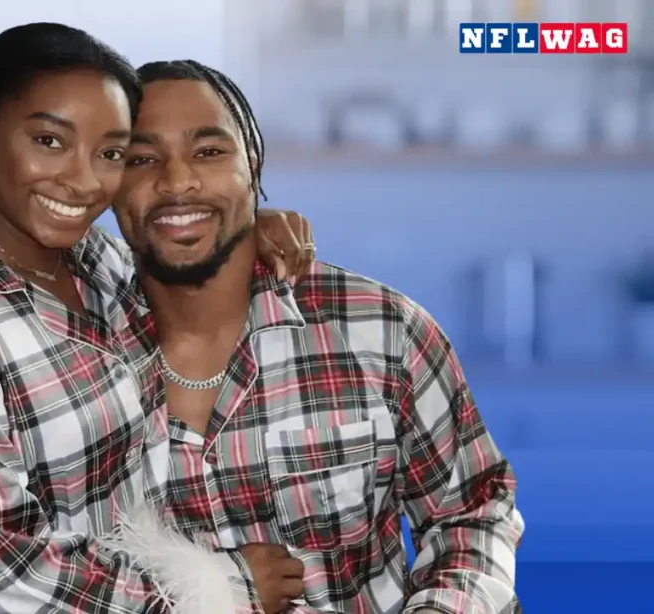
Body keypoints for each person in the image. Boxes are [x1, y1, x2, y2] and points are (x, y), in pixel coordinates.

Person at [0, 23, 317, 614]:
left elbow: (176, 277)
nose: (81, 180)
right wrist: (226, 587)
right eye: (50, 141)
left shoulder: (87, 260)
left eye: (109, 154)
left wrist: (242, 225)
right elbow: (6, 576)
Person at [107, 59, 526, 614]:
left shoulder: (381, 330)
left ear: (252, 164)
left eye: (209, 152)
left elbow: (472, 511)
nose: (178, 180)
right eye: (141, 158)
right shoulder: (68, 358)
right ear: (107, 182)